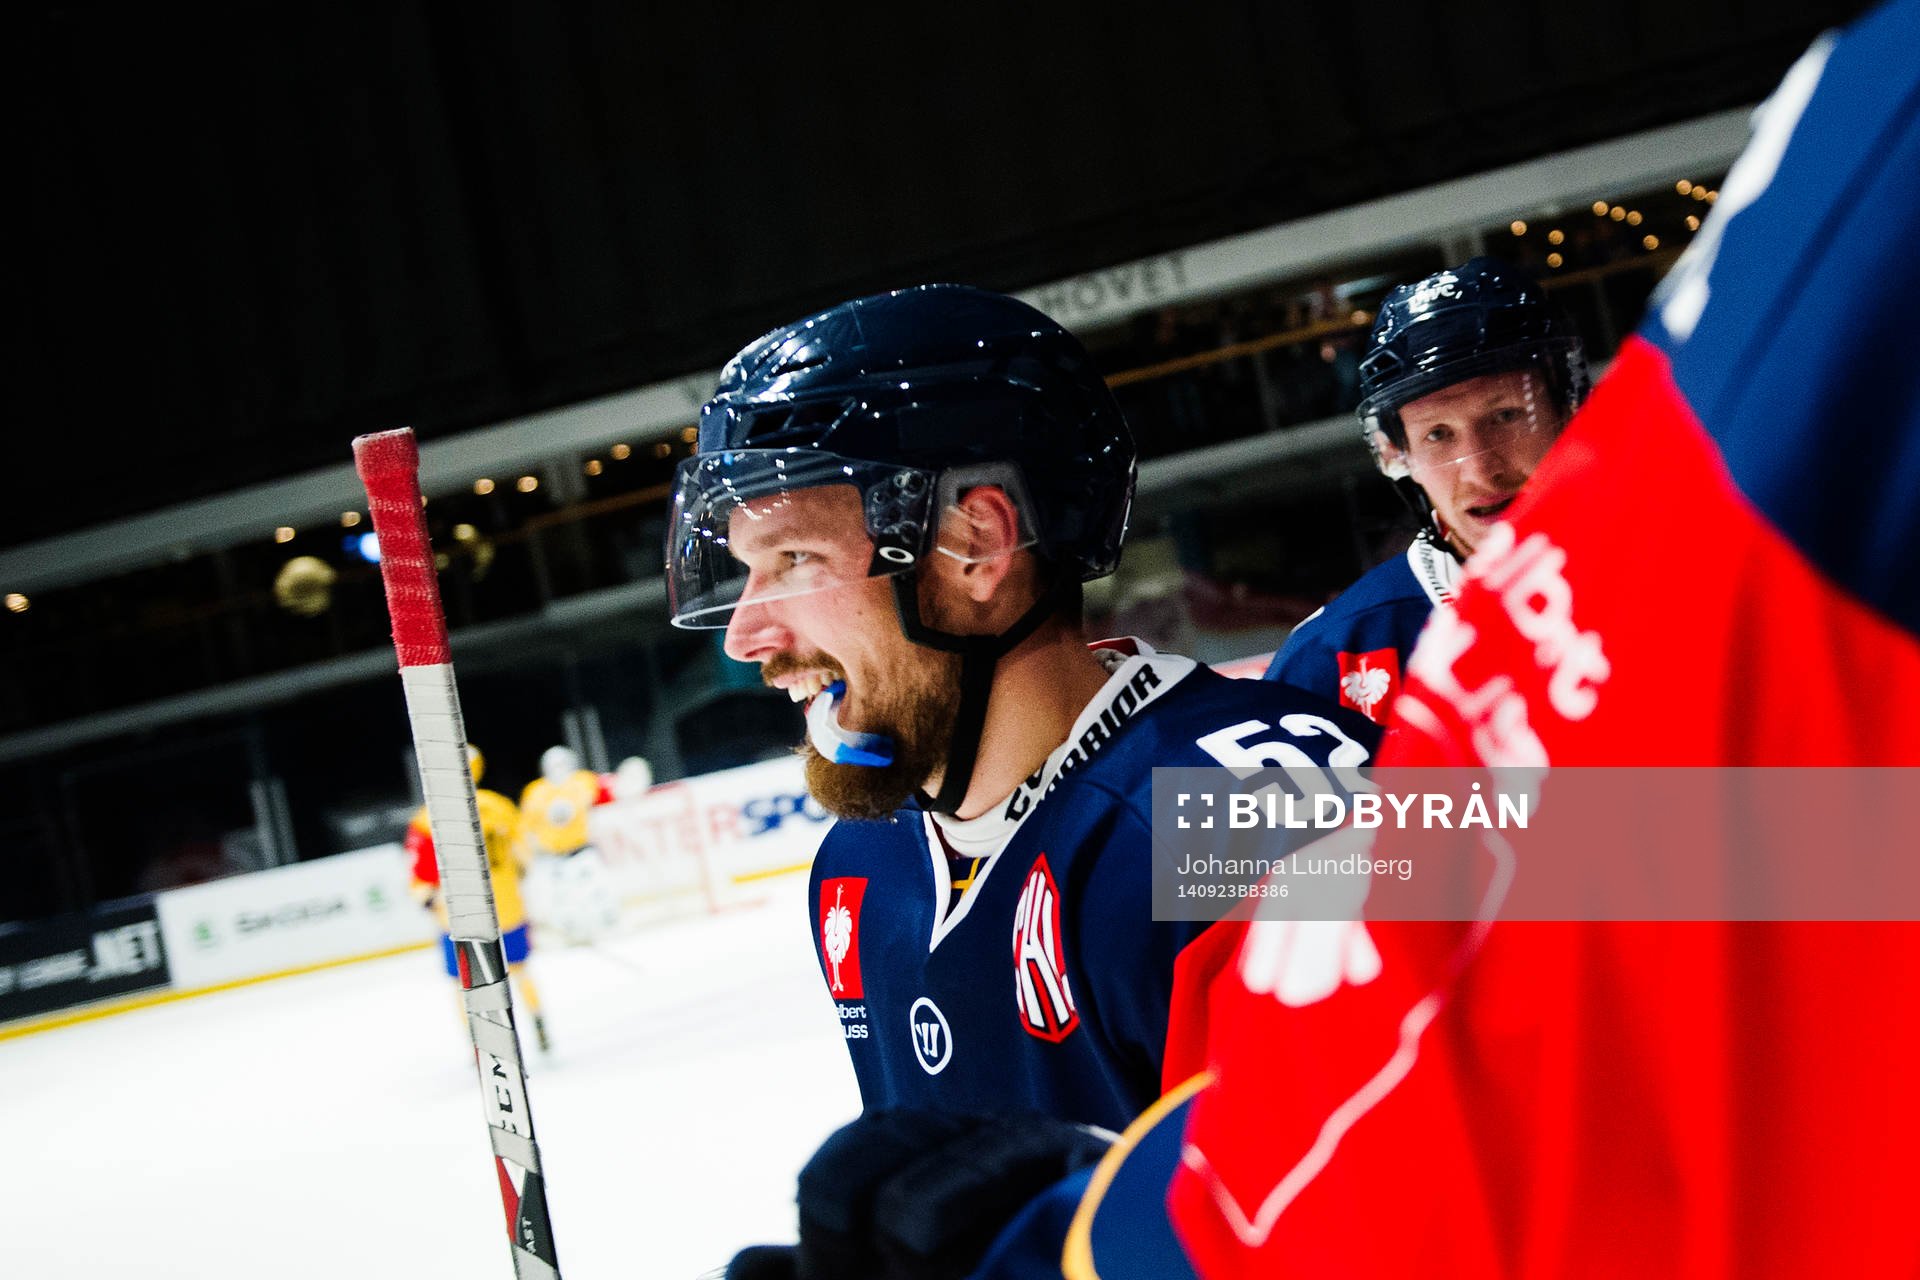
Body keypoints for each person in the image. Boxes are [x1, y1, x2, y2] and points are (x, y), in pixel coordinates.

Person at [666, 283, 1380, 1138]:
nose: (744, 634)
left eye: (794, 558)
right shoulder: (858, 870)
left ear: (976, 546)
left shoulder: (1253, 811)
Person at [1263, 257, 1588, 724]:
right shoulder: (1332, 662)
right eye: (1437, 434)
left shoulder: (1695, 562)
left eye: (1507, 416)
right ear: (1400, 454)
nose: (1480, 471)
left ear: (1568, 410)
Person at [407, 744, 550, 1052]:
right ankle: (538, 1020)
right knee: (520, 970)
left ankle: (479, 1043)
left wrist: (426, 899)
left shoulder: (427, 817)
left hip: (459, 917)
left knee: (464, 984)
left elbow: (421, 874)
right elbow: (524, 859)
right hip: (508, 909)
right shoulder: (499, 806)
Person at [516, 744, 609, 859]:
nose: (558, 768)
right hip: (551, 856)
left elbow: (604, 812)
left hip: (586, 850)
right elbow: (526, 828)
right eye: (553, 765)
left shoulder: (586, 780)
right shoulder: (534, 791)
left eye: (562, 763)